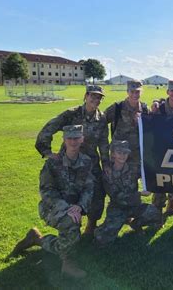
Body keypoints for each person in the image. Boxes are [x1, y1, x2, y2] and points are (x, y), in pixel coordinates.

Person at [9, 125, 94, 279]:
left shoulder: (87, 162)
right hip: (51, 208)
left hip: (73, 209)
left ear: (82, 139)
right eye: (70, 138)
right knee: (71, 226)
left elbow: (89, 188)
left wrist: (80, 206)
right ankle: (68, 264)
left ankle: (38, 239)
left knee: (71, 235)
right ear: (64, 140)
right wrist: (67, 208)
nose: (73, 142)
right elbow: (46, 192)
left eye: (76, 138)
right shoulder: (53, 163)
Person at [35, 85, 109, 236]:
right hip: (68, 162)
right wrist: (47, 151)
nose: (96, 99)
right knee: (68, 193)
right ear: (86, 96)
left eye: (99, 97)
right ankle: (68, 226)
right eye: (93, 96)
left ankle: (91, 226)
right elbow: (49, 127)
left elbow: (103, 143)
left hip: (89, 163)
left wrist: (106, 163)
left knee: (97, 193)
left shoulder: (101, 118)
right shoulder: (71, 114)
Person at [94, 140, 162, 246]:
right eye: (119, 153)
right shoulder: (107, 173)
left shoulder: (133, 168)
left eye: (125, 153)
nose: (122, 156)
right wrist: (140, 194)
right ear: (113, 154)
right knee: (102, 239)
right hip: (117, 208)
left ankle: (136, 224)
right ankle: (102, 229)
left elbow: (148, 171)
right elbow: (116, 197)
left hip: (134, 206)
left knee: (155, 214)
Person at [151, 80, 173, 217]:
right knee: (160, 181)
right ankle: (157, 211)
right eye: (172, 91)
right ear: (167, 92)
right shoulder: (159, 108)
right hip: (161, 150)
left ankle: (171, 206)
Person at [104, 79, 149, 170]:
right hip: (118, 154)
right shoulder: (117, 107)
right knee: (115, 180)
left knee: (132, 182)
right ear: (127, 92)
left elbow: (150, 129)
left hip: (135, 154)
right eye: (132, 92)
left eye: (137, 92)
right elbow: (101, 121)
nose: (135, 95)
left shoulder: (144, 109)